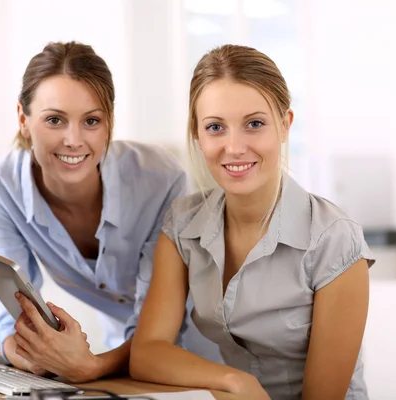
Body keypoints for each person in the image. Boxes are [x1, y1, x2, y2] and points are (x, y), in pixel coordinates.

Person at [130, 44, 375, 400]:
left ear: (285, 125)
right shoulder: (182, 225)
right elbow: (148, 351)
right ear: (197, 135)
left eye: (254, 124)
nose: (234, 147)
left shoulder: (334, 239)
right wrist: (234, 380)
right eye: (215, 127)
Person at [0, 41, 220, 383]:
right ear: (23, 119)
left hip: (202, 353)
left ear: (110, 123)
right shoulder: (1, 189)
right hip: (123, 359)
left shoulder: (159, 180)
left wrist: (91, 366)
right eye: (55, 120)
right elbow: (11, 306)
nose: (74, 140)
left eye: (91, 120)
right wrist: (26, 352)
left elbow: (166, 322)